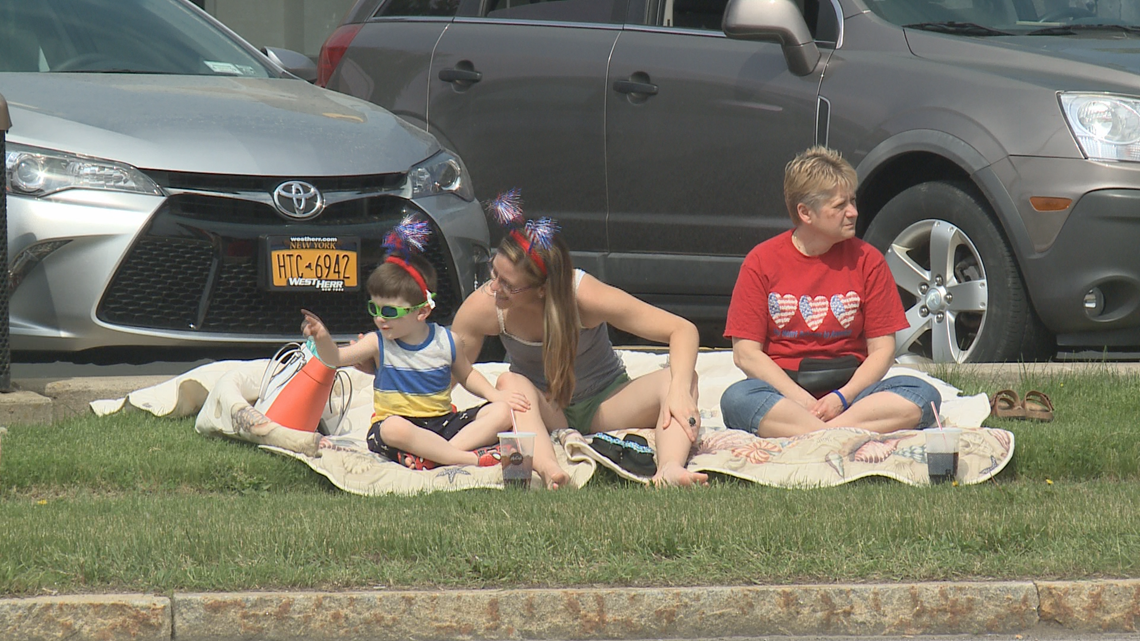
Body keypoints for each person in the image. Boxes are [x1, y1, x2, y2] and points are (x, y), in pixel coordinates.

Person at [451, 192, 709, 489]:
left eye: (507, 284)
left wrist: (677, 390)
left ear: (541, 289)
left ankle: (669, 470)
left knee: (683, 379)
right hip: (546, 410)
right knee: (509, 382)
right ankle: (549, 470)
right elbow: (451, 367)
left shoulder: (583, 296)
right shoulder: (485, 305)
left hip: (605, 402)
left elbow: (682, 330)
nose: (494, 288)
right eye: (493, 273)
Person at [720, 146, 941, 437]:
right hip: (785, 395)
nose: (854, 212)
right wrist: (802, 402)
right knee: (736, 399)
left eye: (852, 201)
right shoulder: (761, 261)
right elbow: (746, 353)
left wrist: (841, 399)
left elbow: (883, 350)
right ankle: (835, 433)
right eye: (840, 206)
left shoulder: (868, 260)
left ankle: (814, 433)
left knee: (923, 394)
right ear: (805, 213)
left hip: (851, 394)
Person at [301, 217, 529, 470]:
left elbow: (468, 376)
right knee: (391, 428)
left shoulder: (447, 340)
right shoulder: (378, 343)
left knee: (501, 412)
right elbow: (336, 358)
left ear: (421, 313)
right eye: (374, 307)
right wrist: (322, 338)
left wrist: (496, 396)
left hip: (441, 423)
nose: (378, 317)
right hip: (398, 427)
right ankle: (466, 458)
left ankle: (432, 456)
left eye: (389, 311)